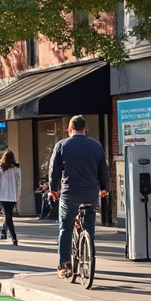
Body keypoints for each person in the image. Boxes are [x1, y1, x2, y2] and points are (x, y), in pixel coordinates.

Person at [48, 115, 109, 279]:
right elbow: (103, 170)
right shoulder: (96, 146)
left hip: (70, 194)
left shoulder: (62, 145)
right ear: (85, 129)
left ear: (69, 129)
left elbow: (54, 170)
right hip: (90, 194)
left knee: (65, 229)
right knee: (89, 227)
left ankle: (64, 265)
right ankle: (88, 255)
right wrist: (105, 188)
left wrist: (54, 189)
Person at [0, 149, 22, 245]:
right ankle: (11, 235)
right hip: (12, 196)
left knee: (8, 216)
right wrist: (17, 195)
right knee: (8, 216)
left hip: (2, 195)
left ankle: (10, 235)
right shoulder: (16, 169)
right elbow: (19, 183)